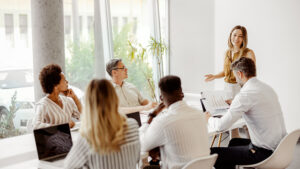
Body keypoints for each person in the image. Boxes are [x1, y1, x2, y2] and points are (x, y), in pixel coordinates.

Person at [206, 57, 287, 169]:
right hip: (280, 148)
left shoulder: (245, 95)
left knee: (213, 153)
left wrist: (209, 119)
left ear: (239, 74)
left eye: (235, 76)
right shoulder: (267, 88)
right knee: (234, 142)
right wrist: (235, 103)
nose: (236, 79)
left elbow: (221, 126)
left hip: (264, 153)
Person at [64, 79, 140, 169]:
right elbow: (137, 158)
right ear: (115, 98)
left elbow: (68, 167)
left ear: (89, 104)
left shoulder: (88, 137)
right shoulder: (133, 126)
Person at [140, 75, 210, 169]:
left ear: (161, 98)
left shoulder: (162, 121)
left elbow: (143, 146)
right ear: (182, 93)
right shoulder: (199, 114)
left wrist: (152, 116)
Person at [205, 25, 256, 138]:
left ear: (244, 39)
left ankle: (254, 145)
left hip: (240, 88)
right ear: (230, 36)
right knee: (232, 121)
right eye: (234, 35)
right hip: (227, 89)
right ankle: (235, 145)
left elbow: (252, 74)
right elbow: (226, 71)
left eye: (240, 36)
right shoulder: (227, 52)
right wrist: (214, 76)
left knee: (245, 121)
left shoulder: (248, 53)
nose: (237, 38)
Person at [33, 64, 82, 129]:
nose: (67, 82)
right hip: (54, 139)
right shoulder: (43, 105)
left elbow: (85, 118)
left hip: (69, 138)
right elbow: (36, 125)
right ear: (55, 85)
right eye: (64, 80)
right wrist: (63, 126)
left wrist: (75, 98)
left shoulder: (67, 101)